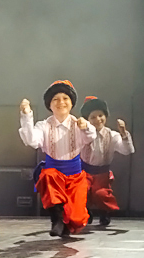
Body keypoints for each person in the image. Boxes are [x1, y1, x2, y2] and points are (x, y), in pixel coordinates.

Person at [19, 81, 96, 237]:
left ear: (71, 103)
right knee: (49, 177)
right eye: (56, 99)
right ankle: (57, 219)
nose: (61, 102)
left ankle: (70, 221)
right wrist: (26, 116)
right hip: (54, 173)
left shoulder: (78, 124)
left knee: (77, 219)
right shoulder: (44, 125)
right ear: (50, 105)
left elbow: (91, 136)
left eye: (65, 98)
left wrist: (86, 126)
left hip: (75, 176)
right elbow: (31, 140)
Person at [79, 96, 135, 226]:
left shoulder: (112, 135)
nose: (98, 120)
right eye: (93, 117)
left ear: (106, 116)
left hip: (102, 173)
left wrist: (123, 134)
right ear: (87, 120)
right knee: (82, 191)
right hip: (84, 171)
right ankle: (85, 212)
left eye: (100, 115)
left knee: (101, 194)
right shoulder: (82, 134)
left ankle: (104, 212)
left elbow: (127, 150)